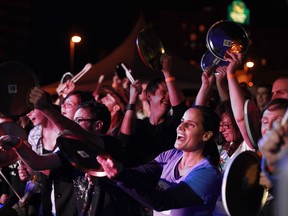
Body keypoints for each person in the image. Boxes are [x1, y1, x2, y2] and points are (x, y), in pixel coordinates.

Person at [0, 87, 134, 216]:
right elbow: (38, 163)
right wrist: (17, 145)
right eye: (74, 121)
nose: (75, 125)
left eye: (79, 121)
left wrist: (45, 107)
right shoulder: (72, 150)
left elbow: (80, 134)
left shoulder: (110, 144)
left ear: (98, 125)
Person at [97, 105, 222, 216]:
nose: (180, 127)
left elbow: (163, 201)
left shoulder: (208, 174)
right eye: (182, 121)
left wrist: (120, 176)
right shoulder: (170, 155)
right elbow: (139, 174)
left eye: (190, 124)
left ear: (206, 135)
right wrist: (105, 174)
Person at [119, 54, 188, 167]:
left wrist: (167, 73)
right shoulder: (140, 125)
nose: (168, 96)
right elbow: (124, 140)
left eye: (169, 93)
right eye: (164, 92)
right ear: (150, 96)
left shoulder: (174, 126)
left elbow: (180, 108)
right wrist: (132, 100)